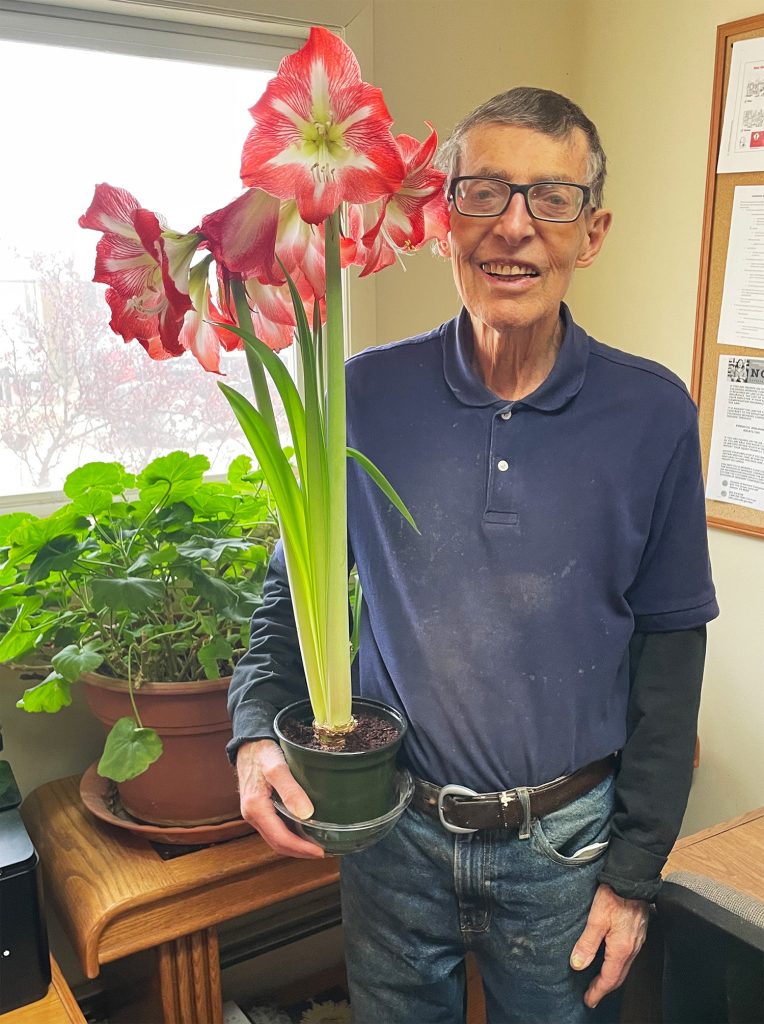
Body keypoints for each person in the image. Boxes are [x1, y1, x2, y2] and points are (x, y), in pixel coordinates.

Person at [227, 87, 718, 1024]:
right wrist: (254, 735)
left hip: (567, 852)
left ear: (592, 233)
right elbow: (289, 605)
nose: (514, 227)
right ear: (442, 217)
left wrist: (633, 878)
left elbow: (671, 657)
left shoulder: (652, 415)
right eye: (484, 192)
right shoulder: (364, 396)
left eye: (552, 198)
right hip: (393, 837)